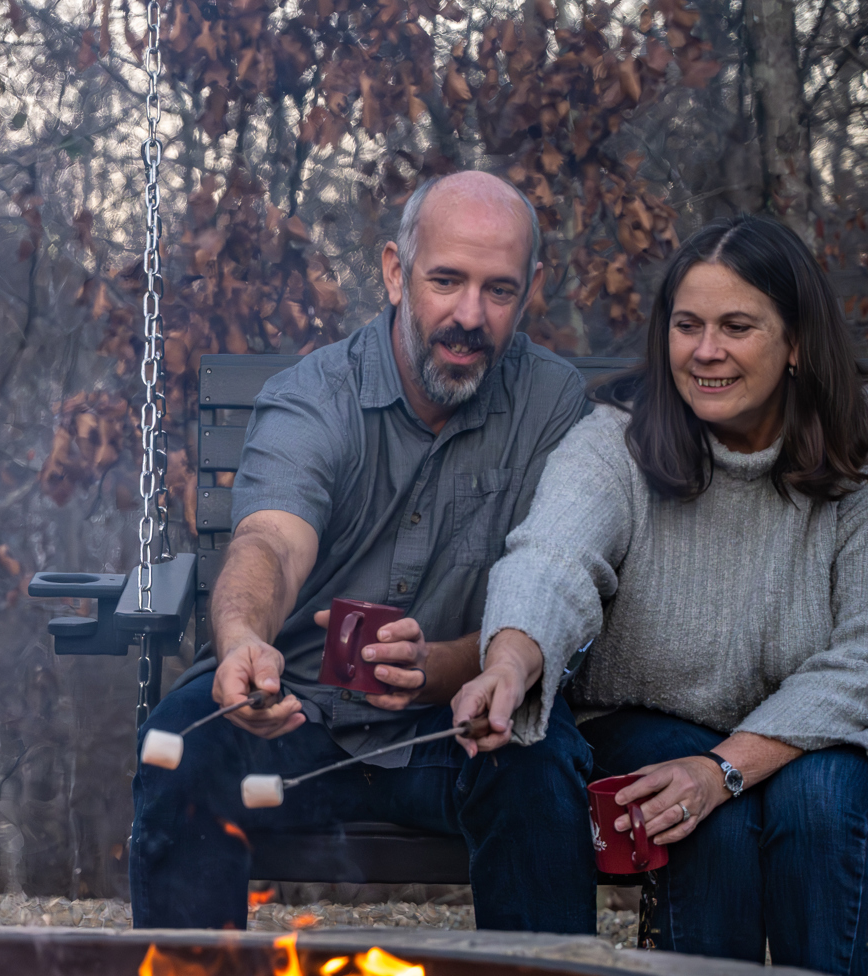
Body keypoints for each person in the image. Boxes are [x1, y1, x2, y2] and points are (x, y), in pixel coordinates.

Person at [127, 170, 598, 933]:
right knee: (183, 740)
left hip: (462, 723)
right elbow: (271, 541)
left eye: (499, 290)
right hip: (294, 716)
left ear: (532, 288)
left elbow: (556, 574)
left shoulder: (553, 405)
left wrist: (449, 670)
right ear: (393, 271)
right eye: (445, 280)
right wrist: (244, 640)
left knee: (538, 759)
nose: (469, 315)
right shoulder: (316, 395)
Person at [457, 215, 868, 976]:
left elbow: (863, 658)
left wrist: (725, 765)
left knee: (828, 789)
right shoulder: (615, 443)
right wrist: (512, 655)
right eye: (687, 325)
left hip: (806, 737)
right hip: (640, 726)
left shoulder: (853, 471)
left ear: (798, 343)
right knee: (695, 802)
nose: (705, 350)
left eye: (736, 326)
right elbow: (553, 556)